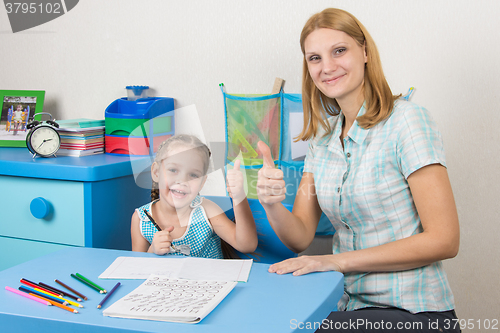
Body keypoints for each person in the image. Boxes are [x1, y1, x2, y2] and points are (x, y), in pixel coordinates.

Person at [257, 8, 461, 333]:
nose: (327, 67)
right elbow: (300, 236)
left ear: (365, 51)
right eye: (314, 58)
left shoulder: (408, 121)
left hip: (412, 311)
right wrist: (270, 204)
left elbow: (444, 240)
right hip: (349, 306)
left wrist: (335, 261)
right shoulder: (321, 141)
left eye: (339, 51)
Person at [131, 134, 257, 259]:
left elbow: (247, 245)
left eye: (193, 175)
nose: (182, 180)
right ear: (156, 172)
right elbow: (136, 270)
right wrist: (151, 251)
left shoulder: (207, 210)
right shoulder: (141, 219)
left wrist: (239, 197)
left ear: (202, 183)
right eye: (173, 170)